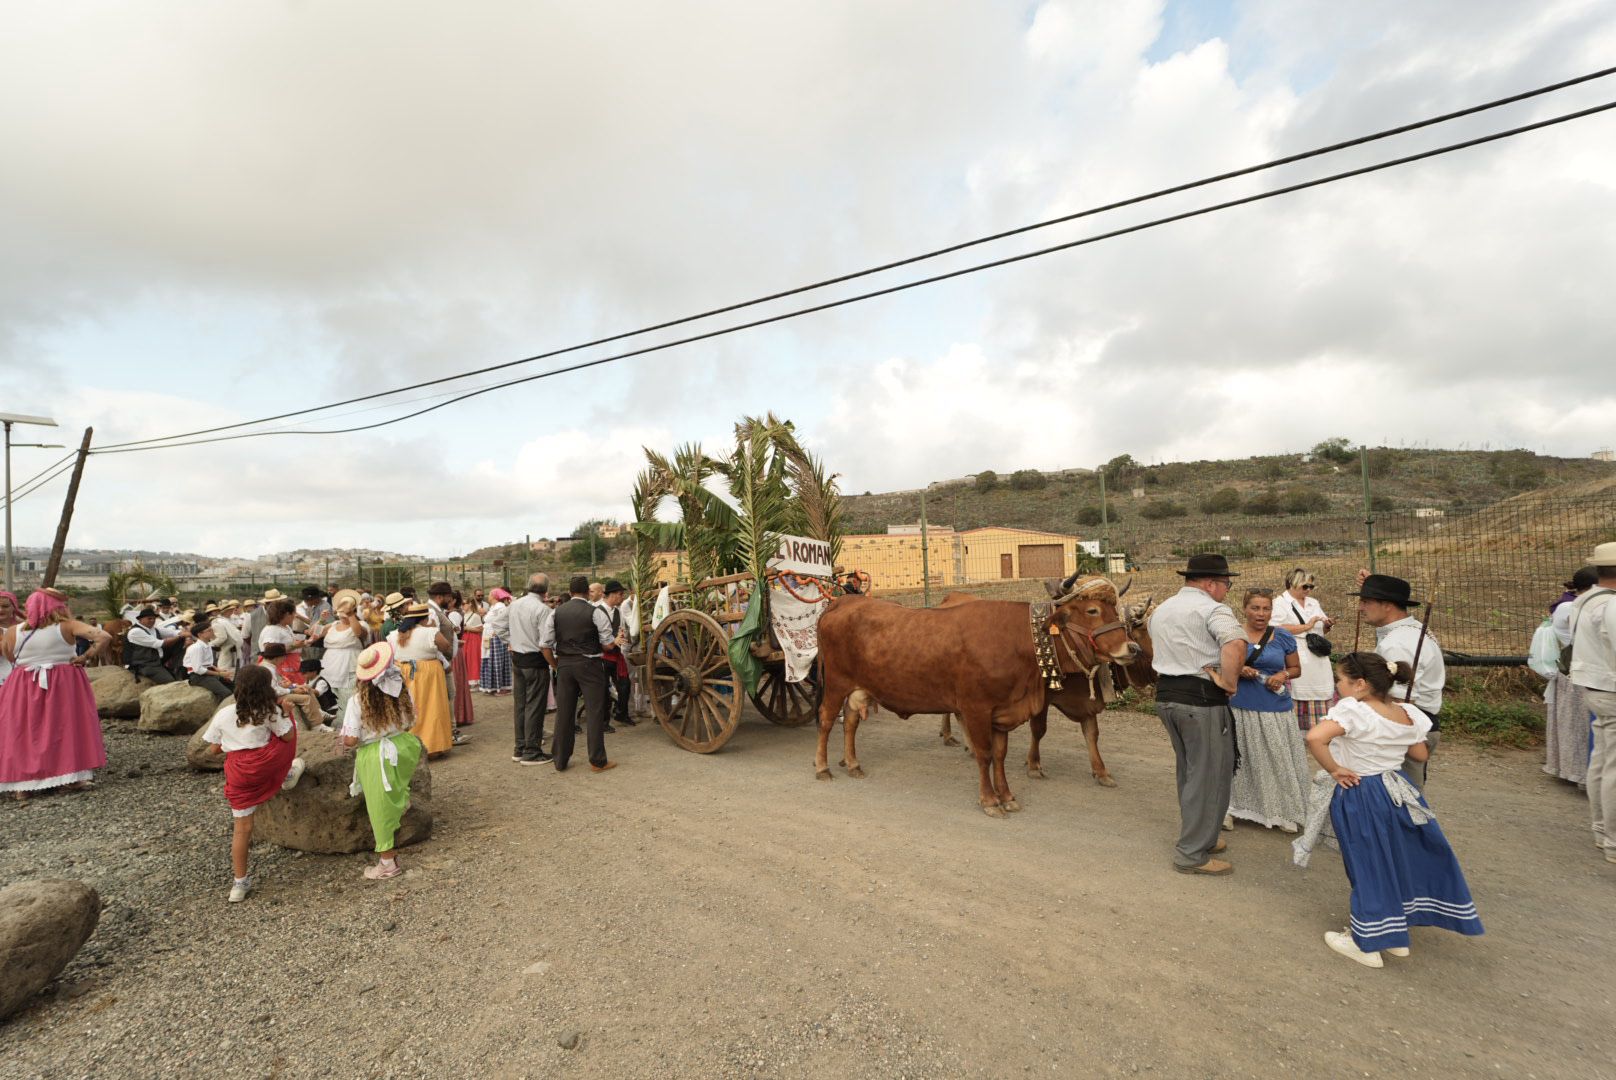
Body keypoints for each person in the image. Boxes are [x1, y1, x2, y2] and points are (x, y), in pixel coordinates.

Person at [1305, 652, 1483, 968]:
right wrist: (1395, 737)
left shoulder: (1353, 710)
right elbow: (1419, 754)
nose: (1338, 684)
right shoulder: (1405, 711)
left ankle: (1366, 943)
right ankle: (1393, 933)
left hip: (1362, 792)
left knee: (1368, 863)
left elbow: (1315, 737)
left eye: (1340, 679)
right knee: (1393, 858)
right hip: (1397, 790)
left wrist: (1335, 769)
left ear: (1359, 684)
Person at [1148, 553, 1247, 875]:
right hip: (1201, 702)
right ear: (1210, 583)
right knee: (1209, 777)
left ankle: (1201, 836)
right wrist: (1230, 683)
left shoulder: (1162, 610)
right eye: (1226, 584)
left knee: (1191, 772)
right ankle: (1191, 854)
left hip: (1168, 697)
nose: (1227, 591)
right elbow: (1235, 643)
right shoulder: (1212, 608)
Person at [201, 664, 305, 902]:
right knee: (286, 739)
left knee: (242, 830)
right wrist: (287, 714)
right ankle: (286, 775)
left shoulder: (225, 713)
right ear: (265, 688)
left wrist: (229, 745)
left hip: (240, 773)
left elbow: (212, 749)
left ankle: (239, 884)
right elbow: (287, 737)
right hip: (266, 765)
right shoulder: (270, 711)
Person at [0, 589, 113, 798]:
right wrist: (85, 656)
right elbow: (103, 636)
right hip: (61, 682)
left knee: (24, 730)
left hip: (21, 683)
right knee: (63, 727)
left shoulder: (13, 631)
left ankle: (21, 786)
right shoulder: (67, 625)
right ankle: (68, 777)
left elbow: (10, 657)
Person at [1225, 588, 1308, 833]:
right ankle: (1230, 808)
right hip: (1239, 706)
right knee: (1237, 760)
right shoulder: (1232, 634)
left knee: (1277, 759)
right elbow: (1217, 663)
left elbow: (1296, 668)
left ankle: (1282, 810)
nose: (1261, 614)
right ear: (1244, 609)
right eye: (1255, 608)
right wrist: (1238, 669)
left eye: (1266, 608)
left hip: (1274, 709)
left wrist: (1282, 674)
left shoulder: (1282, 637)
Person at [1353, 572, 1445, 791]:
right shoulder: (1410, 631)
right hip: (1416, 723)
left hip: (1403, 728)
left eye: (1366, 601)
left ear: (1387, 605)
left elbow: (1401, 702)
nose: (1360, 608)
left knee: (1402, 799)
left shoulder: (1399, 643)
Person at [342, 643, 426, 880]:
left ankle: (387, 862)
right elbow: (412, 721)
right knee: (397, 787)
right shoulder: (401, 691)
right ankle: (401, 804)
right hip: (404, 746)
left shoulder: (357, 701)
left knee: (378, 808)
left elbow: (350, 739)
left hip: (377, 755)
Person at [1567, 542, 1616, 863]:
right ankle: (1613, 839)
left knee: (1602, 759)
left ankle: (1602, 829)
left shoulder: (1583, 601)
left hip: (1591, 685)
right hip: (1611, 688)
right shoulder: (1611, 606)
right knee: (1613, 764)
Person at [541, 575, 616, 772]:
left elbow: (545, 645)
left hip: (565, 664)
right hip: (590, 664)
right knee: (595, 711)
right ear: (587, 592)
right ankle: (597, 760)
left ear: (570, 590)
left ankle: (560, 759)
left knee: (564, 713)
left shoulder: (555, 613)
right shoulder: (595, 612)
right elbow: (608, 644)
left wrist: (556, 665)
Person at [1545, 567, 1597, 785]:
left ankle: (1571, 770)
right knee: (1580, 727)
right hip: (1579, 671)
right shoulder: (1573, 607)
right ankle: (1581, 774)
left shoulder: (1567, 604)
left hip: (1573, 670)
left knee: (1572, 725)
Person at [1270, 568, 1334, 730]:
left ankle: (1320, 728)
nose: (1308, 590)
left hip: (1316, 653)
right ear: (1292, 584)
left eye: (1311, 587)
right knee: (1299, 687)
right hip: (1295, 651)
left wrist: (1326, 625)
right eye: (1305, 586)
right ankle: (1295, 728)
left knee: (1320, 687)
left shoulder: (1314, 603)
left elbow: (1319, 630)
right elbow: (1275, 628)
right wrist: (1306, 626)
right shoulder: (1280, 603)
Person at [388, 602, 454, 757]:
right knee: (431, 707)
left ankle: (407, 745)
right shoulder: (430, 632)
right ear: (424, 618)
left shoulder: (394, 634)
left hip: (402, 671)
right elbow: (445, 646)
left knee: (408, 707)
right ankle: (432, 746)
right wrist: (431, 629)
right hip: (428, 673)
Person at [507, 573, 555, 764]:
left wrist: (511, 641)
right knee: (535, 706)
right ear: (545, 590)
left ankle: (520, 748)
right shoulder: (542, 610)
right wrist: (554, 663)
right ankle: (531, 751)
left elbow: (496, 624)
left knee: (521, 706)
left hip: (518, 659)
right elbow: (545, 642)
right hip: (535, 661)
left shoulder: (515, 604)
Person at [426, 581, 470, 744]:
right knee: (448, 695)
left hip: (443, 659)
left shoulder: (437, 611)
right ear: (439, 597)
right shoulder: (432, 613)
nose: (450, 600)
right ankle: (450, 733)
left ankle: (450, 731)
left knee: (448, 695)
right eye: (448, 597)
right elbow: (433, 639)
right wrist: (445, 663)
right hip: (441, 662)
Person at [320, 589, 369, 719]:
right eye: (341, 611)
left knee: (350, 695)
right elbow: (314, 634)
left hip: (349, 664)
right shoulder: (333, 624)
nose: (343, 615)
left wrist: (351, 614)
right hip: (330, 665)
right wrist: (321, 620)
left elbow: (359, 633)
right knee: (332, 696)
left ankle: (350, 720)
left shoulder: (361, 624)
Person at [257, 643, 327, 730]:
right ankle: (317, 725)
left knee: (307, 688)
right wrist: (292, 690)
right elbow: (274, 690)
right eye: (283, 656)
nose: (284, 659)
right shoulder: (268, 669)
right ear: (277, 657)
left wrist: (294, 687)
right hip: (270, 698)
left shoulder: (269, 666)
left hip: (277, 693)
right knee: (306, 699)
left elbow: (280, 684)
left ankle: (319, 712)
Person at [601, 580, 634, 729]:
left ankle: (622, 713)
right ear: (612, 595)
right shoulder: (597, 610)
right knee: (602, 690)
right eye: (620, 594)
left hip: (615, 655)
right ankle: (603, 722)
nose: (622, 597)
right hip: (601, 656)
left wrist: (621, 635)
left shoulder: (618, 611)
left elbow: (620, 629)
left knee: (625, 685)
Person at [125, 607, 187, 684]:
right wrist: (180, 636)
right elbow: (158, 644)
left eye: (154, 619)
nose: (152, 621)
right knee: (170, 682)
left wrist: (184, 632)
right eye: (149, 618)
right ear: (140, 620)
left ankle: (175, 667)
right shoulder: (135, 631)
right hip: (145, 664)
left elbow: (172, 632)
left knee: (180, 641)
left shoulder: (153, 629)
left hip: (156, 660)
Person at [184, 621, 235, 701]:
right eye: (209, 630)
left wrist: (219, 670)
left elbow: (208, 663)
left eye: (211, 629)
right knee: (226, 693)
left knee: (234, 686)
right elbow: (198, 669)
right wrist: (219, 674)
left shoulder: (207, 644)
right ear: (200, 634)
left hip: (207, 672)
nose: (212, 631)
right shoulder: (196, 648)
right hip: (198, 677)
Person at [479, 587, 513, 695]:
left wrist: (497, 631)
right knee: (489, 660)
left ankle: (501, 687)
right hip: (489, 637)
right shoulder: (493, 607)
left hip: (496, 638)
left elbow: (504, 620)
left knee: (497, 661)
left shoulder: (500, 606)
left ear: (494, 596)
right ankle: (492, 686)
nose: (488, 596)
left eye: (489, 594)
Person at [210, 600, 245, 672]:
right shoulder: (217, 622)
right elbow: (222, 638)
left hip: (235, 650)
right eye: (230, 610)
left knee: (235, 671)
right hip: (227, 651)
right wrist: (210, 644)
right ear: (226, 611)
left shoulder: (227, 620)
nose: (232, 611)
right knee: (224, 671)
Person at [460, 596, 484, 692]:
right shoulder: (463, 615)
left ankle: (475, 682)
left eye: (464, 604)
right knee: (466, 658)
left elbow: (480, 629)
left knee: (473, 659)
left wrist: (467, 628)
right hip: (465, 638)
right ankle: (468, 681)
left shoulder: (475, 616)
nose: (462, 606)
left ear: (470, 604)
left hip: (473, 639)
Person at [0, 590, 21, 688]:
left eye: (5, 606)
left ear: (14, 607)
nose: (0, 610)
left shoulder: (24, 627)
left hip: (21, 679)